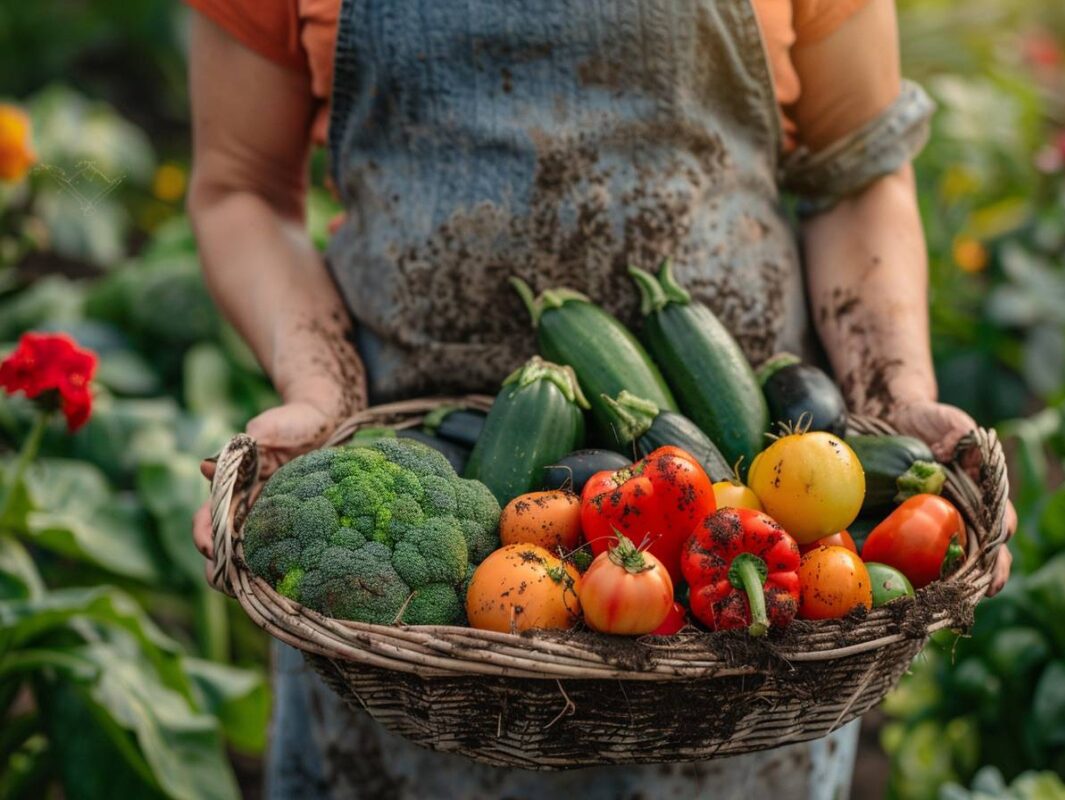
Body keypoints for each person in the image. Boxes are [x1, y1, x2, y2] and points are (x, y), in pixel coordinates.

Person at [186, 1, 1015, 797]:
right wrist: (319, 388)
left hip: (750, 580)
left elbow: (857, 176)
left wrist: (891, 390)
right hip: (412, 589)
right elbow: (242, 188)